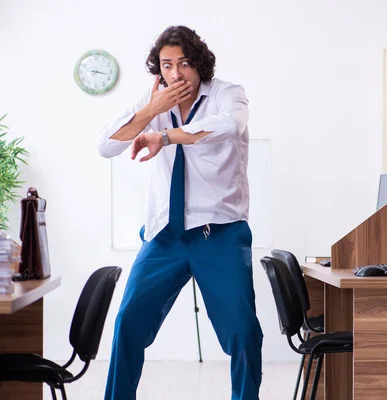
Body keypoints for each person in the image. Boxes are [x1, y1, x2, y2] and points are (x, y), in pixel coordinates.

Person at [98, 25, 263, 400]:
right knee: (128, 324)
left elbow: (228, 125)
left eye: (184, 63)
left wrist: (167, 135)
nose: (175, 74)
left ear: (199, 64)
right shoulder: (154, 101)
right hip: (164, 237)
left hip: (219, 234)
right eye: (167, 65)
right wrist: (152, 111)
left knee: (242, 331)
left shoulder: (227, 94)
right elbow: (105, 145)